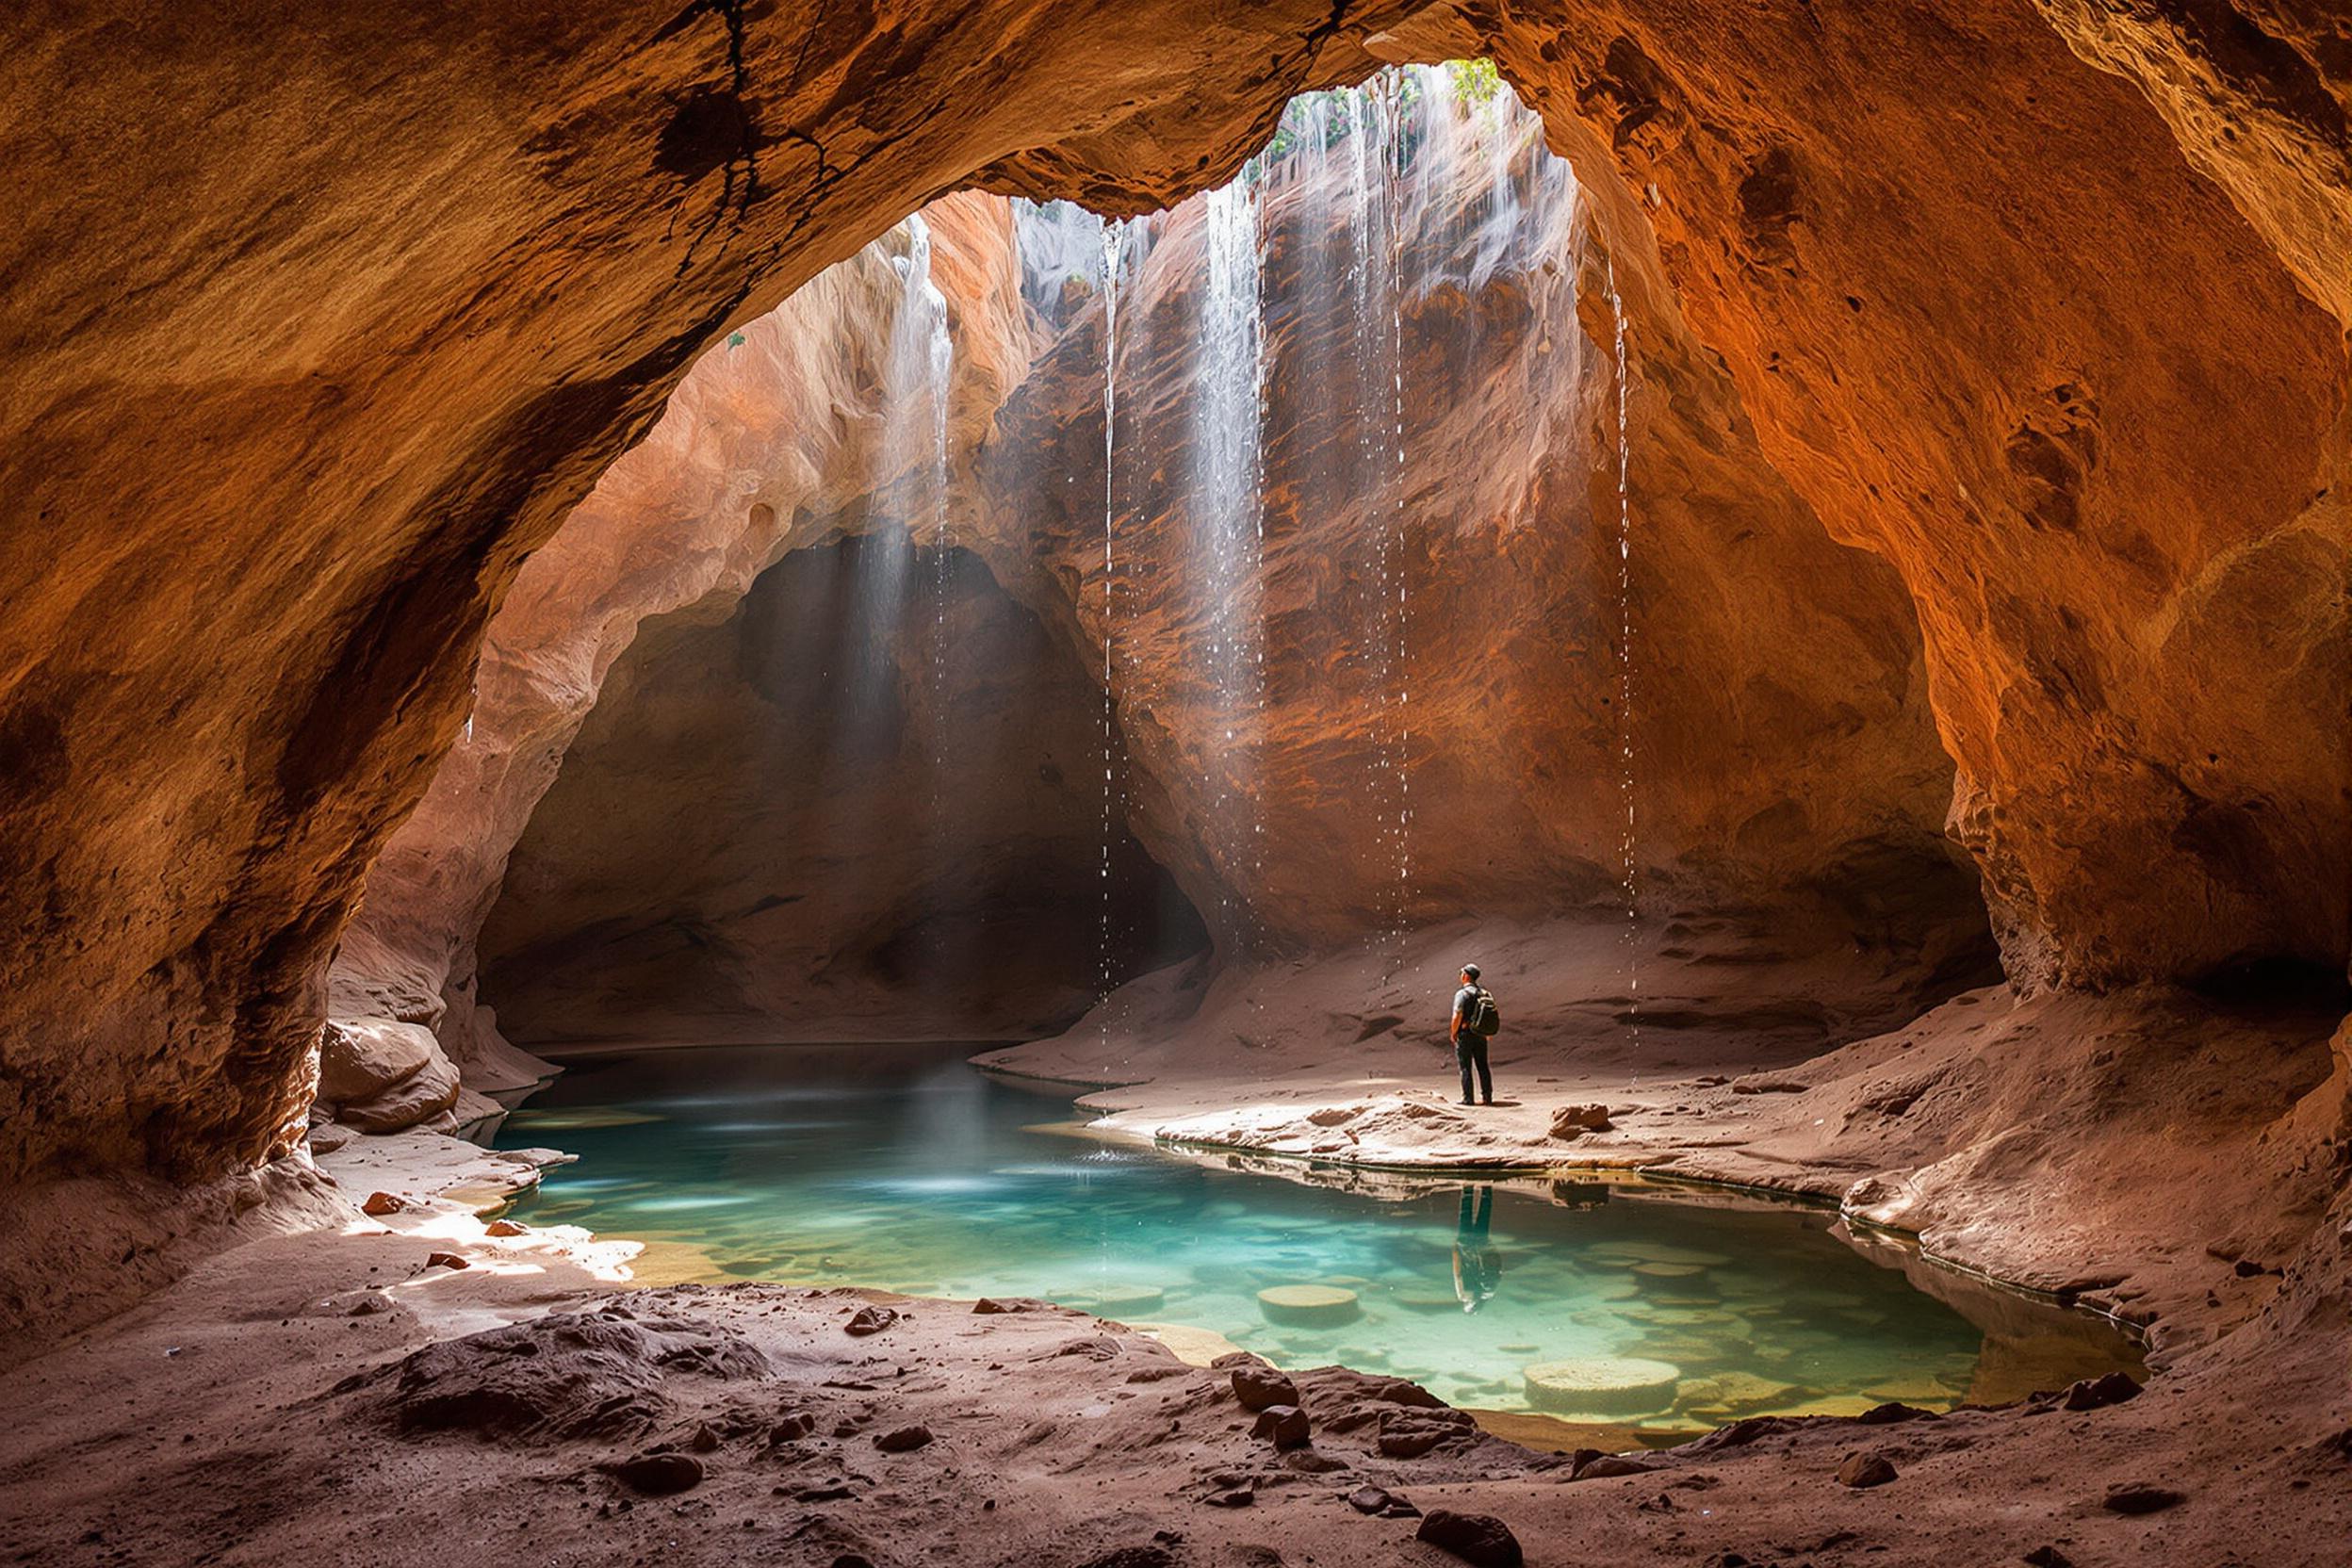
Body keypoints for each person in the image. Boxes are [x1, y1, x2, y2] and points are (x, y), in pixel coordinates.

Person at [1451, 1183, 1501, 1312]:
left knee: (1484, 1215)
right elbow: (1458, 1275)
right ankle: (1468, 1188)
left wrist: (1492, 1247)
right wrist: (1455, 1251)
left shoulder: (1490, 1292)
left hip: (1482, 1246)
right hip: (1466, 1247)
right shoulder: (1464, 1296)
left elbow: (1498, 1268)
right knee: (1465, 1215)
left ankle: (1487, 1188)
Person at [1450, 963, 1494, 1106]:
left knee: (1465, 1067)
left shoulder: (1462, 994)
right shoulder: (1485, 993)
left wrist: (1454, 1033)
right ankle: (1487, 1097)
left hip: (1465, 1035)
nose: (1460, 976)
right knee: (1483, 1066)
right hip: (1481, 1034)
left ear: (1466, 976)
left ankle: (1468, 1099)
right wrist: (1487, 1032)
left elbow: (1457, 1015)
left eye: (1462, 973)